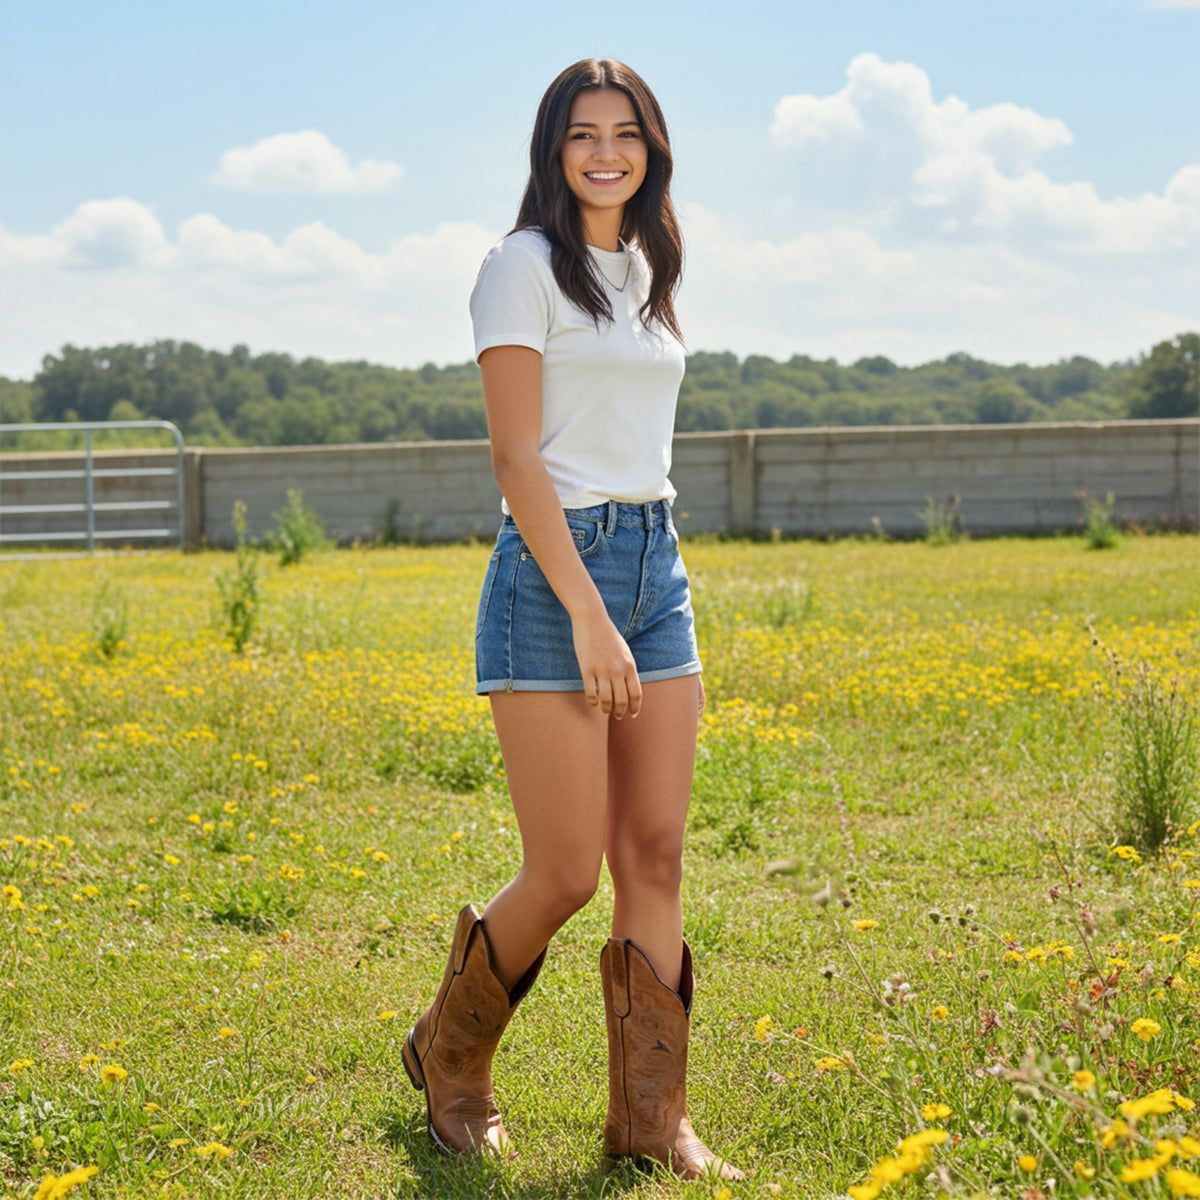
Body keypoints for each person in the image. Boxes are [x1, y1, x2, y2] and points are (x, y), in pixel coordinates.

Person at [401, 58, 742, 1183]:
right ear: (554, 151)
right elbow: (515, 457)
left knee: (655, 849)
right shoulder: (521, 266)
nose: (607, 150)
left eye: (627, 131)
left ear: (652, 146)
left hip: (657, 559)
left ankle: (652, 1122)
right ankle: (451, 1061)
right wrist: (589, 616)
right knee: (564, 871)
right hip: (556, 574)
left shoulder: (647, 266)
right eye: (583, 133)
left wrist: (632, 600)